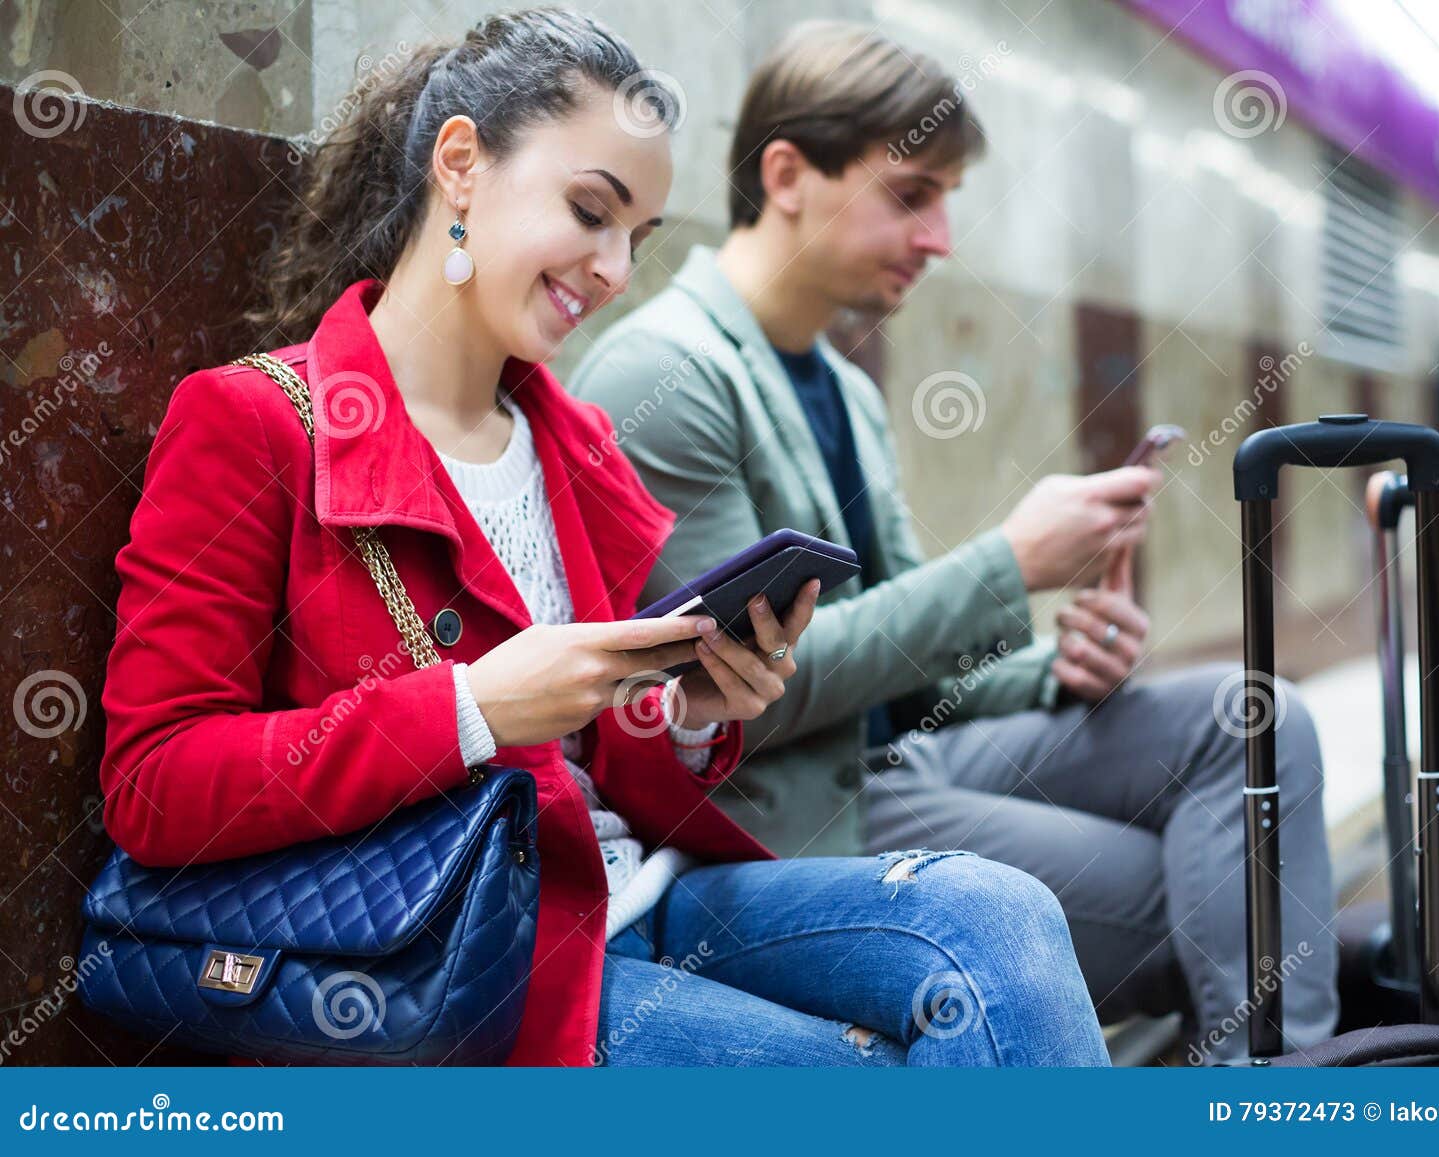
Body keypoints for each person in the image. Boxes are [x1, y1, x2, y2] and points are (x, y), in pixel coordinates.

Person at [96, 9, 1110, 1068]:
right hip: (468, 955)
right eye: (591, 210)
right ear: (461, 164)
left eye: (639, 236)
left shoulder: (568, 441)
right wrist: (472, 708)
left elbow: (594, 747)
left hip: (645, 891)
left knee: (1000, 913)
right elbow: (155, 785)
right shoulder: (253, 420)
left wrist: (682, 710)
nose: (616, 268)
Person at [570, 20, 1336, 1061]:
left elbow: (898, 662)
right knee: (1221, 896)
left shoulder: (840, 384)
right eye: (911, 194)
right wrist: (1007, 566)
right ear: (788, 174)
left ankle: (1288, 1086)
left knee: (1253, 719)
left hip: (896, 754)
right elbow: (741, 695)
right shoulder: (667, 375)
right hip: (790, 812)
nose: (939, 239)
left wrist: (1046, 666)